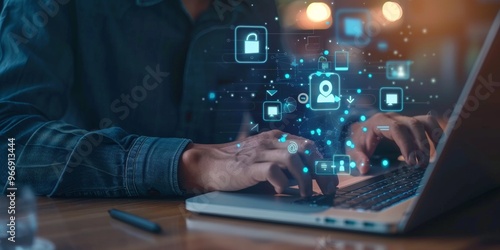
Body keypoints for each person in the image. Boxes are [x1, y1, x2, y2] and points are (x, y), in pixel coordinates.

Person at [0, 0, 442, 198]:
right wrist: (190, 163)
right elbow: (9, 139)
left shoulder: (247, 7)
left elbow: (290, 95)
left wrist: (355, 125)